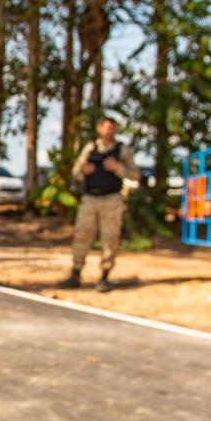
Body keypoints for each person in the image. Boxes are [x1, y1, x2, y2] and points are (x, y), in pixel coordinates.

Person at [61, 118, 140, 291]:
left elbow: (136, 175)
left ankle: (104, 276)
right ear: (99, 129)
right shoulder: (90, 148)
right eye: (107, 128)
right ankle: (75, 274)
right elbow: (76, 172)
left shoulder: (122, 150)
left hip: (112, 199)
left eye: (113, 129)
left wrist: (118, 168)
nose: (109, 131)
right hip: (90, 198)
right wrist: (83, 171)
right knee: (82, 235)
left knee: (110, 238)